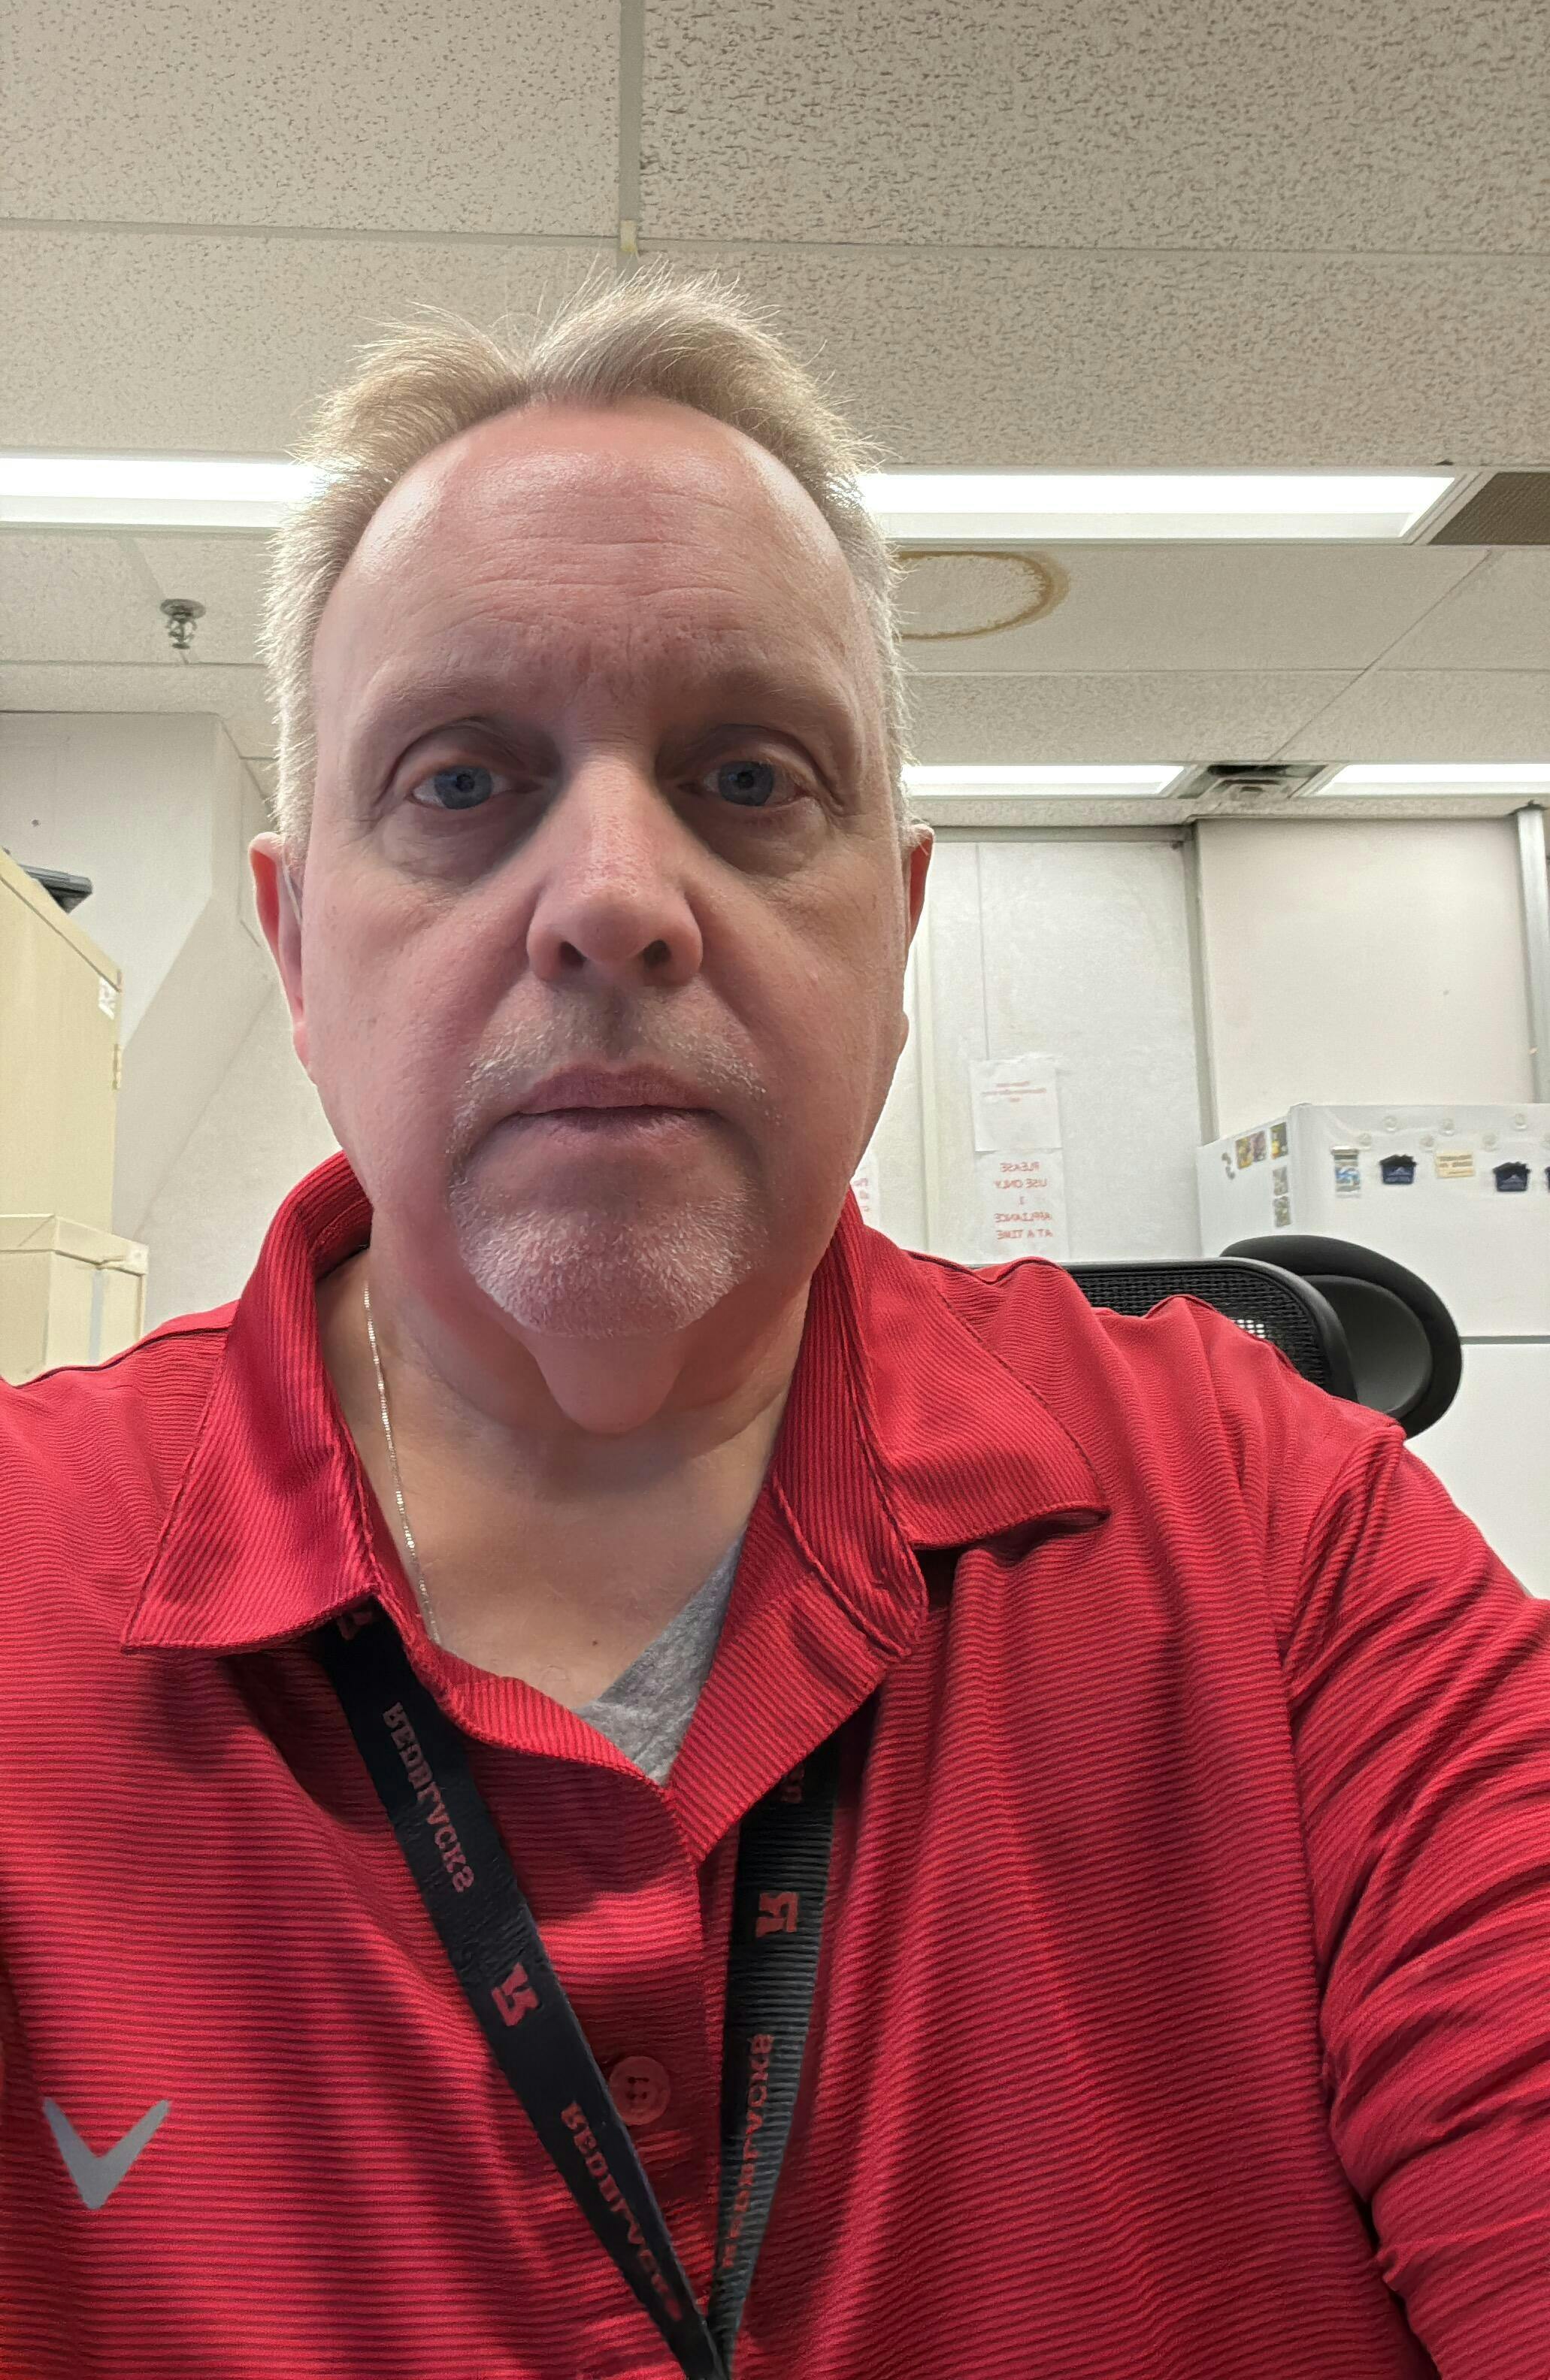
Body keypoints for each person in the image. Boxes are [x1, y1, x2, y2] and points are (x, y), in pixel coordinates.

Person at [1, 272, 1545, 2380]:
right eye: (459, 782)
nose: (611, 898)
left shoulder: (1285, 1543)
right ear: (293, 950)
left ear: (893, 937)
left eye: (747, 774)